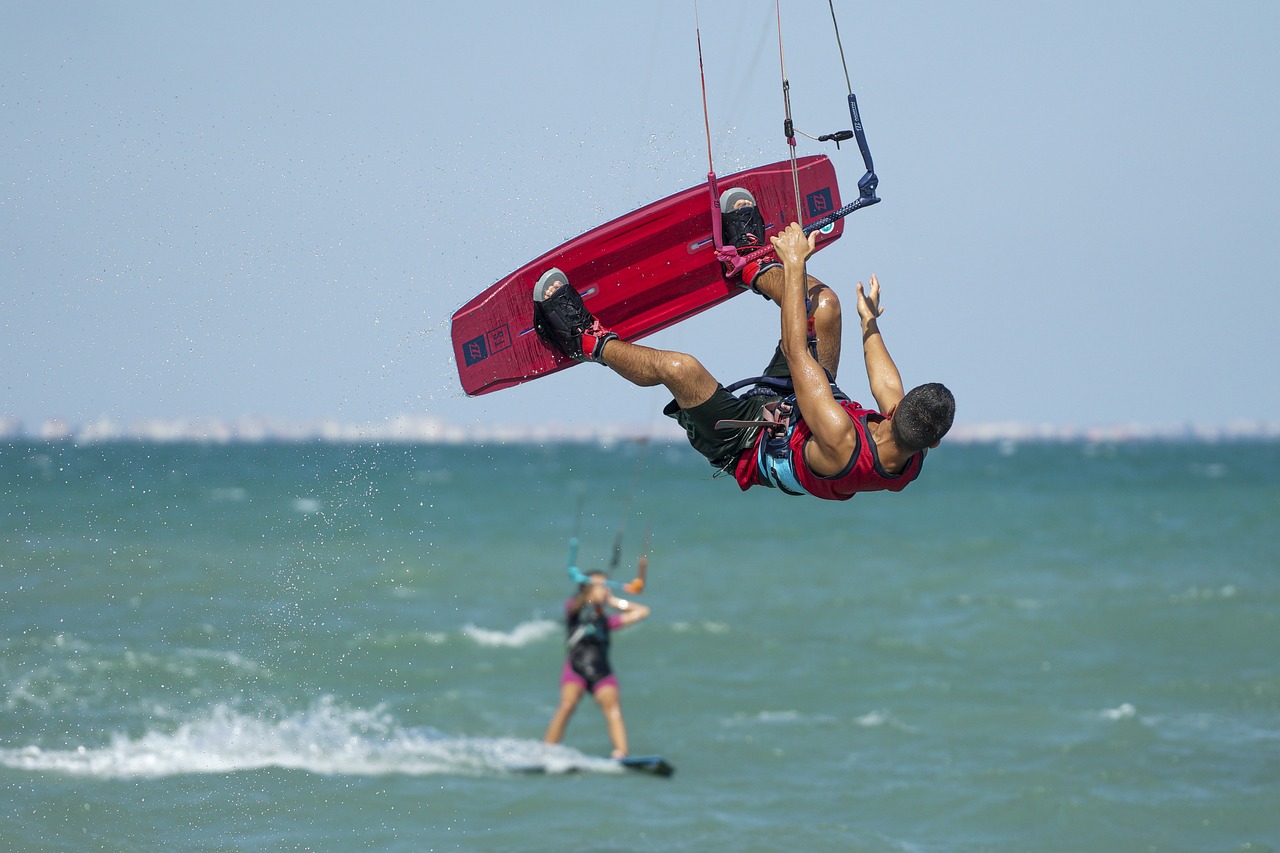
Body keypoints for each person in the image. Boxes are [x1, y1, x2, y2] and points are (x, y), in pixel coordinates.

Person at [532, 188, 955, 500]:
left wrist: (795, 266)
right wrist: (870, 324)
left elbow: (795, 351)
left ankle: (585, 341)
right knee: (825, 305)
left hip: (747, 440)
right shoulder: (912, 448)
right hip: (799, 406)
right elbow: (887, 387)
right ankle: (752, 266)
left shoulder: (843, 437)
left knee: (681, 369)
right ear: (932, 443)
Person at [543, 566, 650, 759]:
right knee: (567, 705)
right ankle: (547, 751)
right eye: (600, 585)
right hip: (576, 667)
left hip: (601, 670)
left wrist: (613, 601)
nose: (604, 588)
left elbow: (642, 611)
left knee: (613, 709)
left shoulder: (607, 621)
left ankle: (621, 753)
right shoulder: (573, 609)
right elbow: (577, 603)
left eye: (606, 585)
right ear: (587, 588)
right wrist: (590, 591)